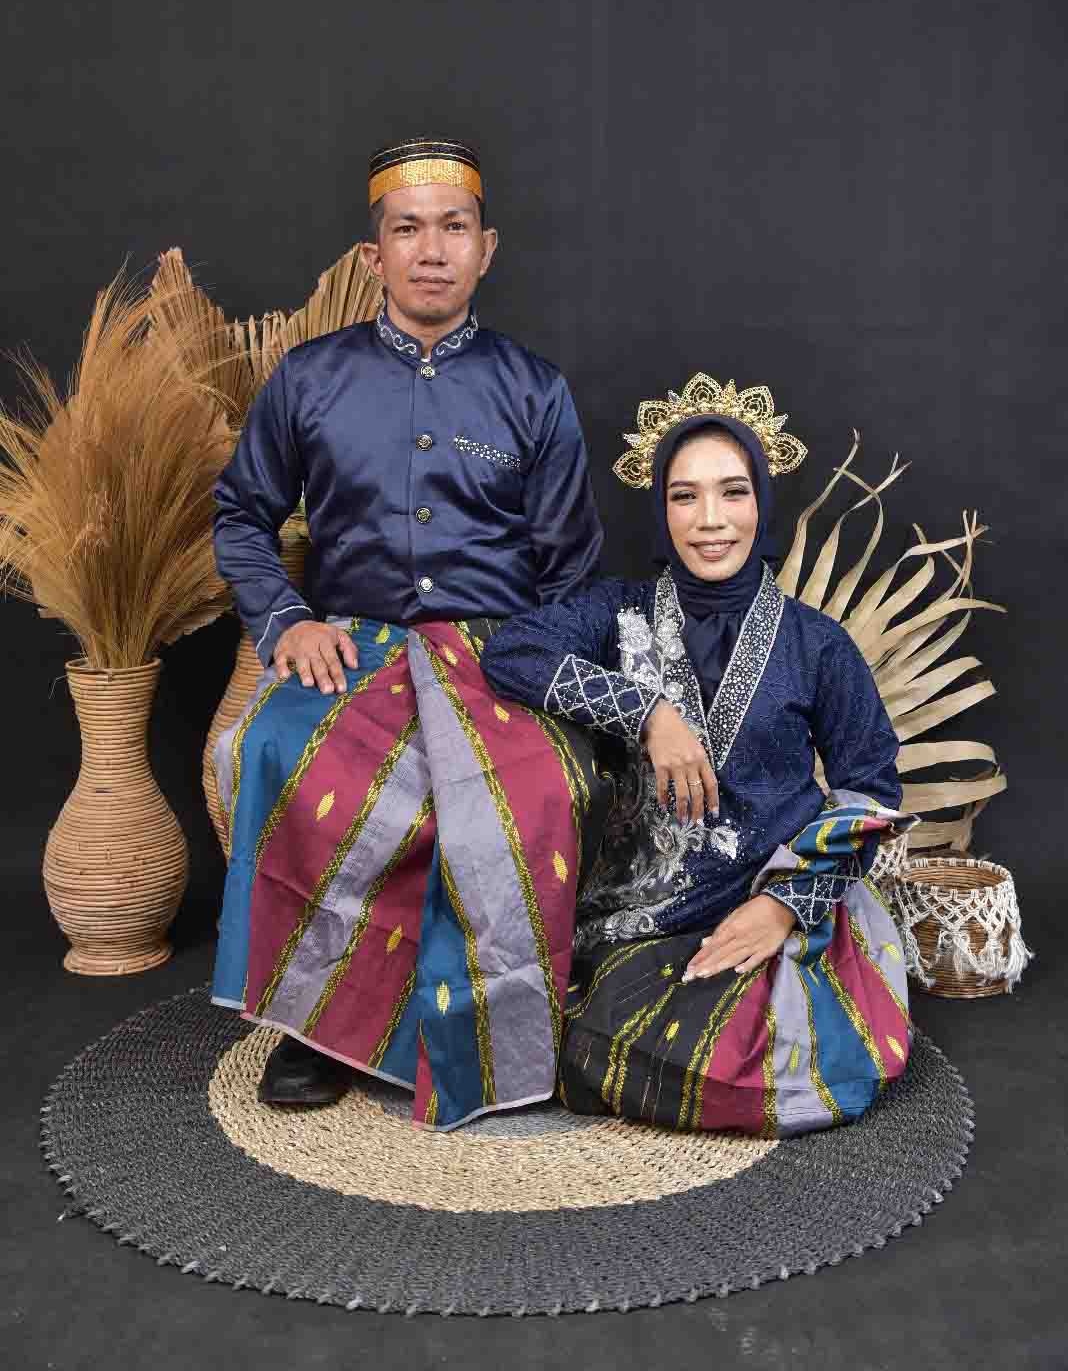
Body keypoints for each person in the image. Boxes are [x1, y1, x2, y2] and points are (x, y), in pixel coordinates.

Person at [210, 138, 609, 1130]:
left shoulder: (534, 389)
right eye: (408, 229)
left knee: (539, 784)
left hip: (501, 651)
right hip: (353, 646)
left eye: (454, 228)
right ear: (374, 253)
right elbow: (241, 516)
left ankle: (496, 1020)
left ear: (487, 248)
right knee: (279, 750)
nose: (432, 250)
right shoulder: (310, 378)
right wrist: (287, 620)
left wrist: (539, 667)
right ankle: (314, 1024)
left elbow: (571, 568)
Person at [482, 375, 914, 1135]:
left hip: (772, 904)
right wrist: (646, 711)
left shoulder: (816, 644)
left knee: (793, 1064)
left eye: (732, 492)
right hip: (640, 918)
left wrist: (786, 906)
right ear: (662, 508)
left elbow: (870, 790)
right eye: (685, 497)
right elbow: (511, 652)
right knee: (564, 1038)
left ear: (761, 503)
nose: (710, 520)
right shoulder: (615, 612)